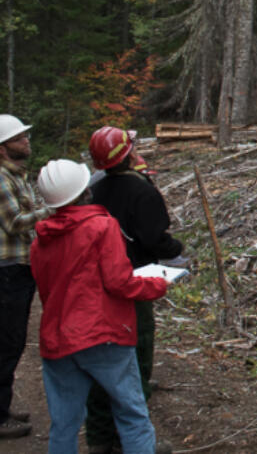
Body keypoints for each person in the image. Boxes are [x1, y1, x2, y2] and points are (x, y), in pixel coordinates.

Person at [31, 159, 168, 454]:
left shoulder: (40, 239)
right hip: (102, 335)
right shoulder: (102, 226)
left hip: (57, 339)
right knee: (132, 415)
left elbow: (49, 290)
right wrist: (157, 284)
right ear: (84, 191)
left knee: (64, 425)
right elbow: (120, 282)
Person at [85, 127, 183, 454]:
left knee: (101, 357)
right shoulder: (143, 192)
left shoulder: (88, 190)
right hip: (134, 281)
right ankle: (134, 442)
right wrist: (179, 250)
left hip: (94, 284)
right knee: (136, 354)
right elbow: (156, 239)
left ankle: (99, 437)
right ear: (128, 155)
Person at [0, 114, 49, 440]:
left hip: (16, 270)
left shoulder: (15, 176)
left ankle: (2, 407)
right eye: (19, 138)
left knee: (12, 342)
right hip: (7, 273)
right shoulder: (1, 179)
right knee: (6, 343)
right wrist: (53, 211)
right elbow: (15, 222)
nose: (26, 141)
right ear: (3, 148)